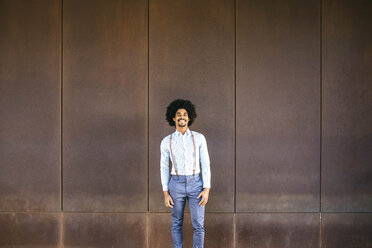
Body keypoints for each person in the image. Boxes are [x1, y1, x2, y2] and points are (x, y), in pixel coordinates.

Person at [160, 99, 211, 248]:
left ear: (189, 118)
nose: (182, 117)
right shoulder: (166, 141)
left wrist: (206, 188)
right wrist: (165, 192)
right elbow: (163, 167)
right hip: (175, 185)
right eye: (178, 114)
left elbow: (205, 163)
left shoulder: (199, 138)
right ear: (173, 118)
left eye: (185, 114)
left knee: (198, 225)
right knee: (176, 224)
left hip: (196, 184)